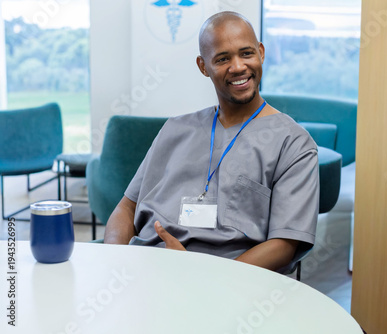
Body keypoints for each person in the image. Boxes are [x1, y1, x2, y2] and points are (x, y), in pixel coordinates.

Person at [104, 11, 319, 273]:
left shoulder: (293, 143)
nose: (238, 67)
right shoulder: (175, 129)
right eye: (223, 59)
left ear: (261, 52)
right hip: (146, 273)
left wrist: (203, 276)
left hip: (229, 285)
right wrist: (114, 261)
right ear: (203, 66)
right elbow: (127, 206)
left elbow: (284, 245)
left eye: (246, 53)